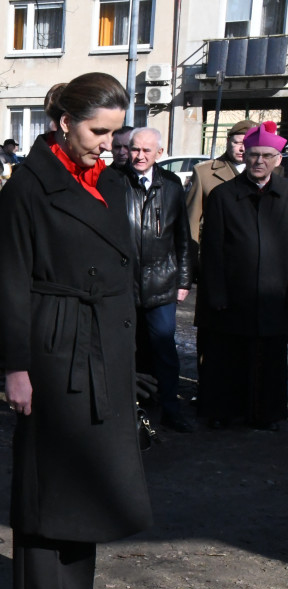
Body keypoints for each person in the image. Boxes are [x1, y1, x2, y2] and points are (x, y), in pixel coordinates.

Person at [0, 72, 152, 589]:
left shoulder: (104, 182)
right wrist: (15, 367)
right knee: (48, 477)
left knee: (86, 477)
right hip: (52, 347)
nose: (109, 143)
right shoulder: (26, 188)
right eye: (98, 131)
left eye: (114, 132)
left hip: (102, 344)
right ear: (63, 123)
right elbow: (8, 283)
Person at [195, 121, 288, 432]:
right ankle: (224, 412)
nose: (259, 161)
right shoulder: (224, 195)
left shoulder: (286, 194)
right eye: (253, 155)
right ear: (244, 156)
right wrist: (216, 292)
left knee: (270, 360)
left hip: (275, 293)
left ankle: (267, 413)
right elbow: (213, 249)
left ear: (278, 159)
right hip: (234, 293)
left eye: (266, 155)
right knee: (228, 358)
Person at [119, 127, 194, 433]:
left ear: (159, 153)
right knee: (126, 349)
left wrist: (184, 280)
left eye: (147, 151)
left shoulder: (172, 185)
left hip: (162, 283)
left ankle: (170, 408)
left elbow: (183, 238)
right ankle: (127, 410)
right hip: (122, 285)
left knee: (164, 347)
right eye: (135, 149)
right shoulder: (114, 182)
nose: (139, 156)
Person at [185, 119, 256, 246]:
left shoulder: (269, 173)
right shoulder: (204, 172)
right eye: (237, 143)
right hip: (219, 251)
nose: (242, 149)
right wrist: (191, 260)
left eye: (248, 143)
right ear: (228, 142)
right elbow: (192, 220)